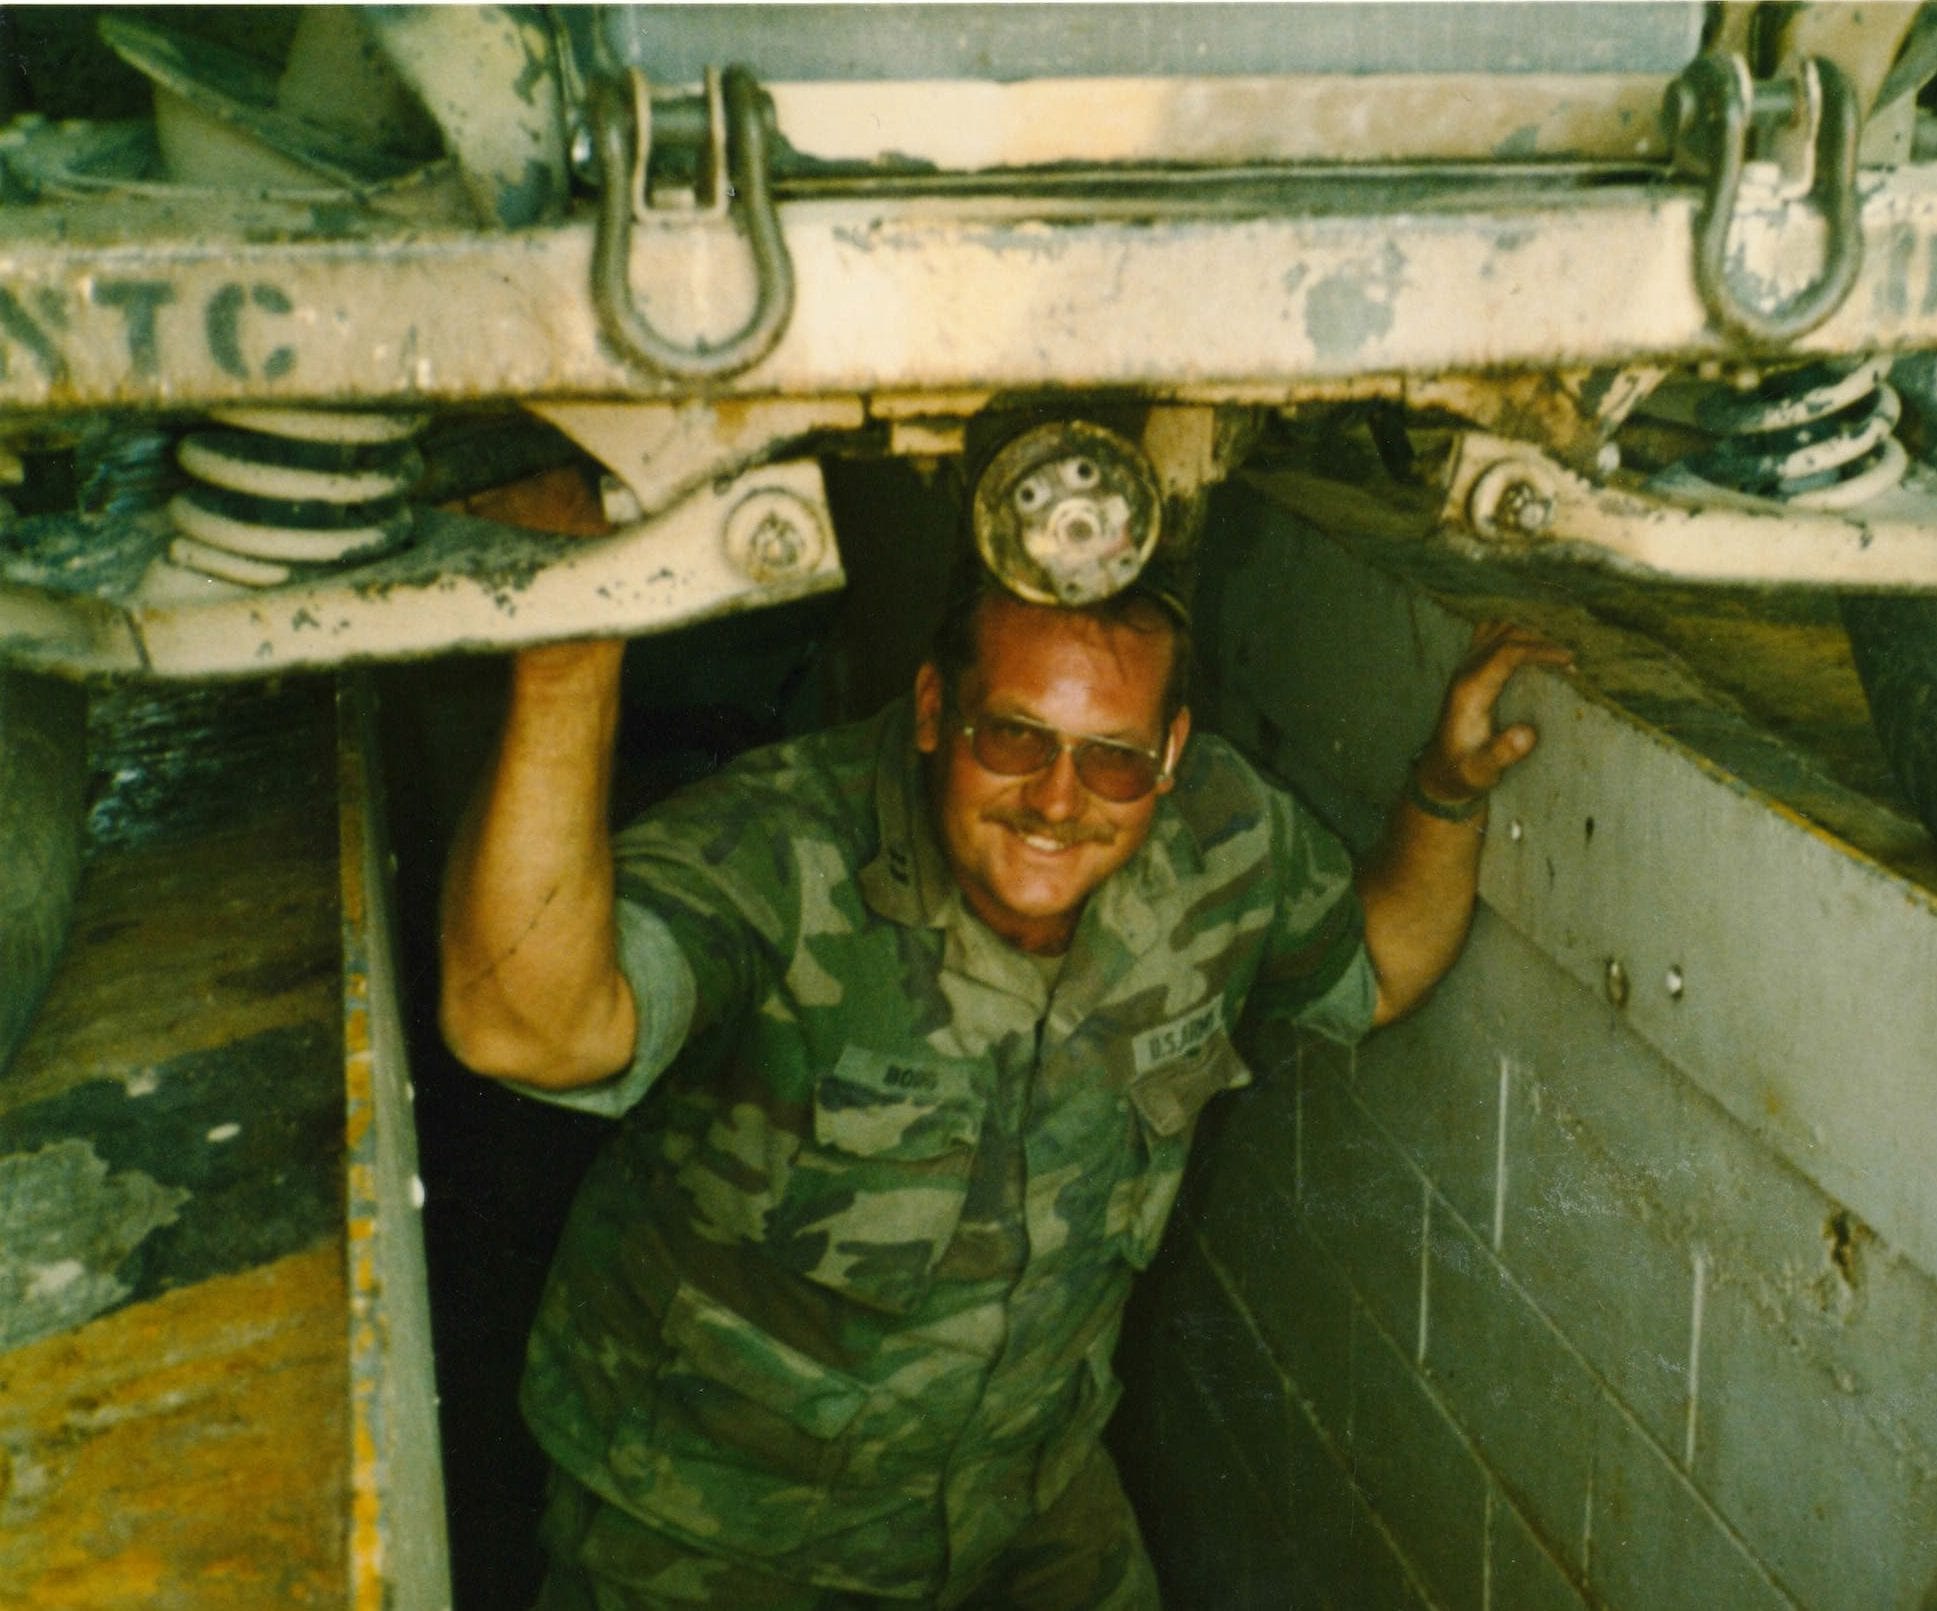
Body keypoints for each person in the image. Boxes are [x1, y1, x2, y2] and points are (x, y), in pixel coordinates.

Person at [439, 485, 1569, 1610]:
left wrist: (1441, 794)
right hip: (723, 1531)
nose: (1057, 800)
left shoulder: (1223, 834)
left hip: (1018, 1499)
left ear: (1170, 751)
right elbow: (525, 1028)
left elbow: (1374, 971)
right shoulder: (777, 848)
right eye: (1013, 737)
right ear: (935, 710)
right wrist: (568, 655)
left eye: (1113, 759)